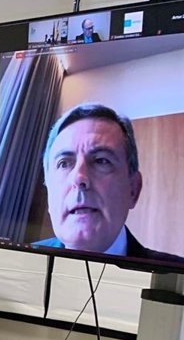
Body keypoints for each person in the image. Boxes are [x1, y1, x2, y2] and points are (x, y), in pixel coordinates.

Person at [32, 103, 184, 262]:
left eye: (101, 161)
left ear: (133, 190)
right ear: (48, 191)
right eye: (63, 164)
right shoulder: (19, 262)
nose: (79, 178)